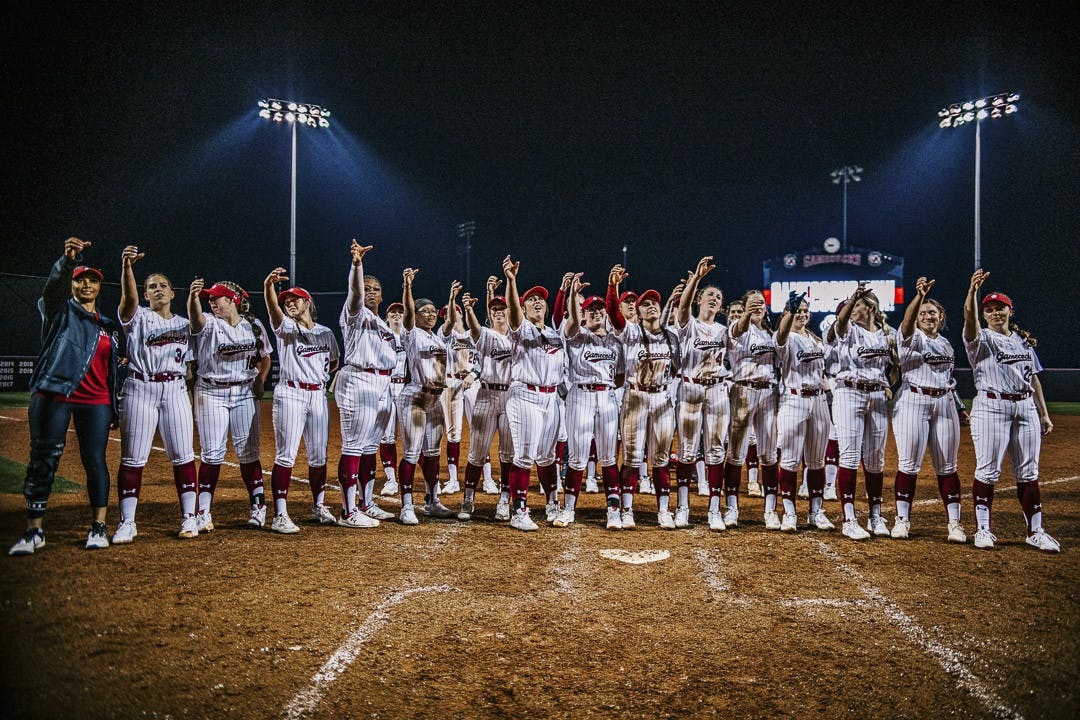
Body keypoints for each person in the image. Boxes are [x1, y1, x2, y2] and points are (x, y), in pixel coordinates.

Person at [10, 237, 121, 555]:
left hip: (97, 401)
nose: (86, 284)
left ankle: (98, 527)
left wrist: (113, 407)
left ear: (100, 287)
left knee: (95, 462)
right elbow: (52, 289)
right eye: (80, 279)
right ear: (73, 284)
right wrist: (67, 261)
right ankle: (34, 532)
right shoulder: (60, 311)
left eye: (93, 280)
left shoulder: (106, 325)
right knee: (43, 460)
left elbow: (111, 370)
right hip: (55, 394)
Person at [963, 270, 1059, 552]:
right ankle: (983, 529)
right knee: (988, 470)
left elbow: (1034, 379)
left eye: (999, 308)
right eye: (989, 310)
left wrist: (1044, 413)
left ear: (1010, 310)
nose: (995, 313)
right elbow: (970, 321)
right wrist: (972, 293)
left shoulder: (1023, 342)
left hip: (1025, 406)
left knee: (1029, 471)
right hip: (992, 405)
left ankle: (1035, 531)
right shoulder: (982, 341)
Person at [112, 245, 197, 543]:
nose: (157, 290)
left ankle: (190, 517)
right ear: (145, 294)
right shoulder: (137, 317)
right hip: (140, 387)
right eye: (152, 287)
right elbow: (128, 301)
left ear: (173, 293)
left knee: (183, 455)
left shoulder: (184, 325)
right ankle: (128, 521)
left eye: (163, 286)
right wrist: (127, 268)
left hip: (174, 388)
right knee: (133, 458)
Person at [188, 275, 272, 532]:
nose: (212, 302)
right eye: (209, 299)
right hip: (211, 392)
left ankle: (258, 507)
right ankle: (203, 511)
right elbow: (196, 319)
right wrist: (193, 298)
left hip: (244, 391)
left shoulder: (254, 325)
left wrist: (261, 379)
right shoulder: (210, 324)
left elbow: (265, 356)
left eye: (217, 298)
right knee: (212, 454)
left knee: (249, 453)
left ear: (234, 299)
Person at [263, 267, 341, 534]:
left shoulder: (326, 332)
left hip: (317, 395)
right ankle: (280, 514)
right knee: (286, 456)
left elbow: (333, 363)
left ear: (307, 302)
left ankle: (318, 506)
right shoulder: (286, 327)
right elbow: (274, 312)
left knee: (319, 456)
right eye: (286, 301)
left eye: (294, 299)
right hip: (291, 393)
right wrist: (268, 287)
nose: (289, 304)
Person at [890, 276, 966, 542]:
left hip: (944, 403)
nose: (927, 316)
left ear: (941, 316)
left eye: (932, 312)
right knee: (909, 464)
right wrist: (919, 297)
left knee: (948, 465)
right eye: (923, 313)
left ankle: (954, 523)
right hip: (913, 400)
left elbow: (948, 380)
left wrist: (959, 406)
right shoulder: (911, 338)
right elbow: (907, 322)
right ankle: (902, 519)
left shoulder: (946, 344)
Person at [606, 264, 681, 529]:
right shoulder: (631, 332)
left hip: (661, 398)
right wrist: (612, 286)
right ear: (637, 312)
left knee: (660, 458)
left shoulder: (670, 337)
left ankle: (663, 510)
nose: (651, 306)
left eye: (655, 303)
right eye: (645, 304)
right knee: (632, 457)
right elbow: (614, 314)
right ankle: (627, 510)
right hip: (635, 397)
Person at [827, 283, 898, 540]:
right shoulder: (848, 331)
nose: (850, 308)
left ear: (871, 307)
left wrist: (890, 385)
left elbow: (896, 365)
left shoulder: (887, 333)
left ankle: (876, 515)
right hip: (849, 392)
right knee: (849, 455)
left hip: (877, 396)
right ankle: (849, 519)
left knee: (876, 459)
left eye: (857, 304)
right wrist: (853, 298)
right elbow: (841, 322)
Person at [334, 241, 397, 528]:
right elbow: (355, 293)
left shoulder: (383, 324)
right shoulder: (355, 313)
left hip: (383, 383)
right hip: (359, 378)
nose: (370, 292)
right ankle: (348, 511)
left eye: (376, 289)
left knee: (370, 446)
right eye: (368, 288)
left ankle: (365, 502)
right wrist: (357, 265)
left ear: (382, 296)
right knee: (354, 446)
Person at [502, 255, 566, 531]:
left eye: (541, 299)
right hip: (525, 394)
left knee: (548, 456)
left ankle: (552, 503)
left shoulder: (554, 333)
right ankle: (518, 510)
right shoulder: (521, 328)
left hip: (551, 397)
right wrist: (512, 281)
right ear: (524, 307)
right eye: (531, 299)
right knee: (524, 455)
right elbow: (513, 311)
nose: (537, 301)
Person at [555, 274, 623, 529]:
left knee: (607, 457)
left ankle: (613, 510)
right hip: (580, 395)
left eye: (599, 309)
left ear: (606, 313)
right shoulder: (576, 334)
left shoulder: (615, 340)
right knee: (577, 457)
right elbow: (571, 320)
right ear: (583, 315)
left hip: (606, 396)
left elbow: (621, 375)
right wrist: (573, 295)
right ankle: (569, 509)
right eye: (590, 310)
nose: (595, 313)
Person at [394, 270, 457, 524]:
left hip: (435, 399)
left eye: (433, 311)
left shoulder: (437, 338)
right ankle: (406, 505)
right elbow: (408, 314)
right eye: (425, 311)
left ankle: (432, 501)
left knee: (432, 453)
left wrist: (452, 299)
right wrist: (407, 287)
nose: (430, 314)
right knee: (411, 452)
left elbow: (450, 322)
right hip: (416, 396)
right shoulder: (411, 334)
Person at [675, 256, 732, 530]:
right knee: (687, 451)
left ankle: (714, 509)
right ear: (699, 299)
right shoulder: (688, 325)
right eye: (709, 295)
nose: (714, 299)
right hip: (690, 387)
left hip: (717, 390)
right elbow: (683, 307)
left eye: (718, 297)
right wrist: (696, 280)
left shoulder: (724, 330)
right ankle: (683, 506)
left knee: (715, 451)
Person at [774, 291, 835, 532]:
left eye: (805, 311)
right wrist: (790, 309)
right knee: (789, 459)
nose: (802, 314)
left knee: (816, 461)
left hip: (818, 400)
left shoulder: (815, 339)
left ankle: (816, 511)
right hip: (794, 399)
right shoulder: (784, 336)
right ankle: (789, 512)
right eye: (797, 311)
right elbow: (780, 337)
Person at [458, 286, 514, 520]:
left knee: (508, 454)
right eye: (494, 309)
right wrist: (469, 309)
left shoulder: (518, 334)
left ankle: (504, 500)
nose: (499, 312)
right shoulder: (486, 335)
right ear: (489, 313)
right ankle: (468, 499)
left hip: (512, 396)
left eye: (503, 308)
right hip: (487, 394)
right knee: (477, 452)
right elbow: (474, 328)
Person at [724, 290, 780, 529]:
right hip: (743, 390)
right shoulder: (738, 327)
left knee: (768, 455)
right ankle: (731, 507)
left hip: (769, 392)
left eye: (761, 303)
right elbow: (738, 329)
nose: (758, 306)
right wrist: (747, 312)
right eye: (752, 303)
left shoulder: (771, 333)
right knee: (736, 453)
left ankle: (770, 510)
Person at [439, 301, 478, 495]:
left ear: (461, 314)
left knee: (479, 430)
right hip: (451, 383)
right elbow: (446, 329)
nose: (451, 317)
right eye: (446, 315)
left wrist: (475, 375)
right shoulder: (445, 334)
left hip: (473, 383)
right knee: (453, 434)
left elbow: (485, 359)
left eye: (453, 313)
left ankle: (487, 479)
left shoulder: (475, 334)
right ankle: (453, 480)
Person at [378, 301, 407, 496]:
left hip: (405, 386)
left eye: (399, 312)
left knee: (411, 435)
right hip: (386, 385)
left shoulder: (410, 337)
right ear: (387, 317)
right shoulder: (381, 337)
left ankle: (409, 478)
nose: (396, 315)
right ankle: (391, 479)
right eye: (392, 312)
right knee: (387, 435)